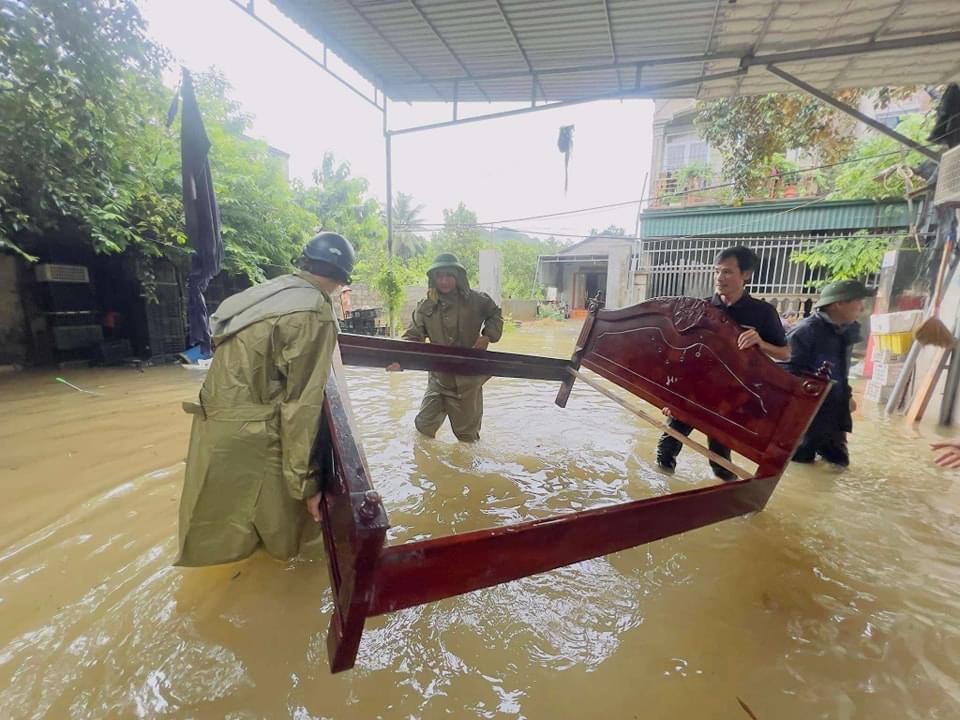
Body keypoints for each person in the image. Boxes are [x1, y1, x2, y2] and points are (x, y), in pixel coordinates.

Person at [176, 231, 355, 567]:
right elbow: (301, 405)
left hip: (214, 423)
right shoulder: (314, 310)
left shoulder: (271, 290)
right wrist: (308, 485)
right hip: (255, 432)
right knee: (286, 542)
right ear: (342, 277)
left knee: (225, 530)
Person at [656, 245, 790, 480]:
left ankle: (729, 500)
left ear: (746, 275)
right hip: (692, 391)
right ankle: (661, 496)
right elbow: (680, 354)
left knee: (719, 458)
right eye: (716, 271)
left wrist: (761, 343)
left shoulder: (763, 313)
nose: (720, 277)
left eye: (727, 272)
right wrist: (670, 395)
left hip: (730, 397)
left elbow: (785, 354)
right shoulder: (700, 308)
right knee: (666, 449)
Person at [389, 253, 503, 442]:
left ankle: (468, 470)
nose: (444, 281)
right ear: (433, 278)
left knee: (468, 437)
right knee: (423, 427)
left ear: (458, 277)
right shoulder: (426, 307)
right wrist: (399, 361)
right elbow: (412, 339)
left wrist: (487, 336)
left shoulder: (476, 300)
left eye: (449, 275)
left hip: (467, 381)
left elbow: (495, 314)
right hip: (438, 379)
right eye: (439, 276)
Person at [783, 279, 874, 467]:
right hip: (808, 414)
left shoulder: (845, 331)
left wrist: (846, 395)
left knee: (839, 463)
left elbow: (841, 370)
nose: (862, 307)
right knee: (801, 462)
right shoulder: (806, 331)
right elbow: (786, 370)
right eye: (857, 301)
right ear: (838, 304)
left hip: (834, 411)